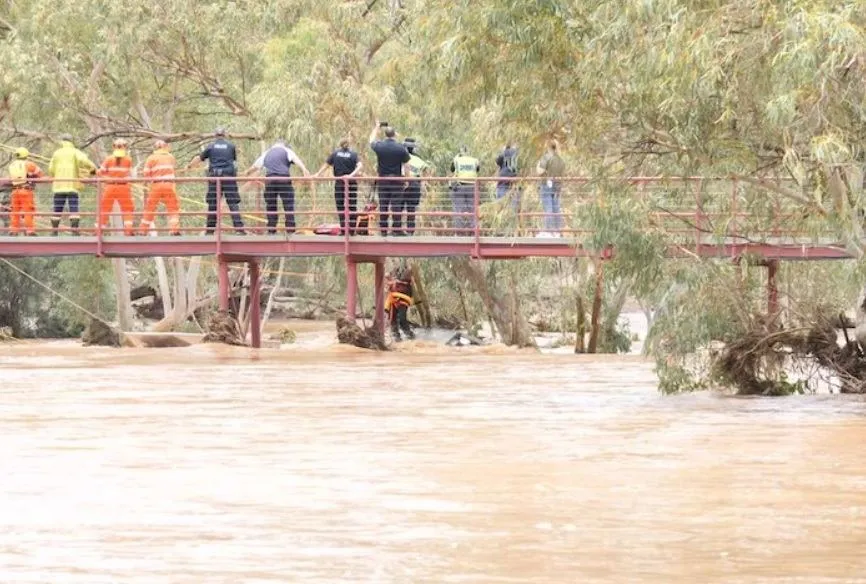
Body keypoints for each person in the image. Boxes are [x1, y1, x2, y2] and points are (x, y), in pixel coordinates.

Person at [186, 128, 245, 235]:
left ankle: (209, 231)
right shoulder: (231, 146)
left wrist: (189, 166)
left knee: (213, 204)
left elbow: (199, 158)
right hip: (228, 178)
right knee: (233, 203)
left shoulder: (210, 146)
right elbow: (233, 160)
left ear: (215, 135)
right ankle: (239, 229)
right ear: (224, 135)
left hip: (214, 179)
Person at [245, 139, 309, 234]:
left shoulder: (267, 152)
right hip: (284, 179)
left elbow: (255, 166)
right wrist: (304, 170)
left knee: (271, 205)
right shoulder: (287, 150)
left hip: (270, 180)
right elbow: (297, 160)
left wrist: (247, 172)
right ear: (284, 145)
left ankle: (271, 230)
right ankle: (290, 230)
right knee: (288, 205)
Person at [48, 134, 97, 236]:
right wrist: (93, 169)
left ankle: (54, 231)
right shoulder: (75, 152)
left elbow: (51, 169)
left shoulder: (57, 153)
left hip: (59, 187)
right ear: (71, 141)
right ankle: (74, 231)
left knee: (57, 209)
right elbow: (84, 160)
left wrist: (55, 175)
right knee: (73, 208)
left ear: (62, 141)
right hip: (72, 186)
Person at [369, 121, 410, 236]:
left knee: (383, 205)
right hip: (397, 181)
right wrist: (407, 179)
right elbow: (407, 165)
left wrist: (376, 127)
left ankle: (383, 231)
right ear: (394, 135)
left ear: (385, 135)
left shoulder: (380, 146)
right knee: (396, 205)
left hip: (383, 180)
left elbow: (371, 140)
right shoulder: (401, 148)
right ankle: (396, 229)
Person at [316, 138, 362, 234]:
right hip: (351, 182)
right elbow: (360, 166)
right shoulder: (353, 154)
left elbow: (326, 165)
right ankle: (352, 230)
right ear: (348, 144)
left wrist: (318, 174)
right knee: (352, 206)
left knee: (340, 206)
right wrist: (351, 175)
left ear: (340, 144)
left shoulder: (335, 154)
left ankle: (343, 229)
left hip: (340, 182)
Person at [140, 140, 181, 236]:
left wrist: (148, 183)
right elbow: (173, 169)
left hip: (156, 186)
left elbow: (146, 174)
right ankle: (174, 230)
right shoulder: (170, 157)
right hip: (169, 185)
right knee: (173, 208)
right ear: (165, 147)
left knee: (150, 208)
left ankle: (143, 230)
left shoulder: (151, 158)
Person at [97, 138, 135, 236]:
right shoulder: (128, 160)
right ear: (124, 147)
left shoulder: (109, 159)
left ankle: (99, 231)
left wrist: (92, 172)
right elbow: (130, 175)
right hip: (124, 188)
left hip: (110, 187)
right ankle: (128, 230)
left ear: (114, 147)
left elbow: (100, 172)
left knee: (105, 208)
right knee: (127, 209)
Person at [7, 147, 43, 236]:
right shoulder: (29, 164)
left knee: (15, 212)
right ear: (26, 155)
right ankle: (30, 231)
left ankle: (13, 231)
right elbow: (40, 174)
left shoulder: (12, 165)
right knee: (28, 211)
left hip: (15, 191)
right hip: (26, 191)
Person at [536, 140, 566, 237]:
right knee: (556, 207)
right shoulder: (560, 160)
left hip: (546, 184)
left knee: (548, 207)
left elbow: (540, 171)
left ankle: (547, 230)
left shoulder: (546, 157)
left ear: (548, 147)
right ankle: (557, 231)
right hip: (557, 185)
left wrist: (538, 165)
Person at [402, 138, 432, 236]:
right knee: (411, 209)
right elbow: (427, 169)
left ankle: (397, 229)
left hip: (402, 183)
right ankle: (410, 231)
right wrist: (424, 181)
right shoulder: (419, 159)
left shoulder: (401, 157)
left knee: (398, 208)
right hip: (415, 184)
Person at [449, 146, 480, 236]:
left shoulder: (457, 160)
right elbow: (477, 170)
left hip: (459, 186)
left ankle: (459, 233)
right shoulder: (475, 160)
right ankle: (474, 232)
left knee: (458, 210)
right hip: (472, 186)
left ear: (460, 153)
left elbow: (452, 169)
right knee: (473, 209)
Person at [385, 265, 415, 341]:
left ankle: (409, 335)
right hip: (393, 299)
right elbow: (387, 276)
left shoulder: (407, 274)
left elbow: (411, 282)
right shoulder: (394, 272)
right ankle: (396, 337)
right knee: (392, 319)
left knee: (402, 319)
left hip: (403, 300)